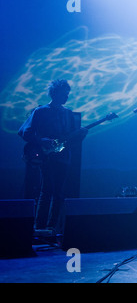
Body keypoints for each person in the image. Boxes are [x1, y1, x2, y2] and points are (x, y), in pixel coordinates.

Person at [18, 79, 87, 234]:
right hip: (46, 156)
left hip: (63, 156)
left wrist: (81, 135)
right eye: (64, 93)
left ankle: (51, 227)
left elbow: (71, 139)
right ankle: (39, 227)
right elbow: (24, 132)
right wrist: (41, 140)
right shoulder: (40, 111)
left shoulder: (68, 113)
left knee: (59, 192)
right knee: (47, 189)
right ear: (54, 93)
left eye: (68, 94)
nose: (66, 97)